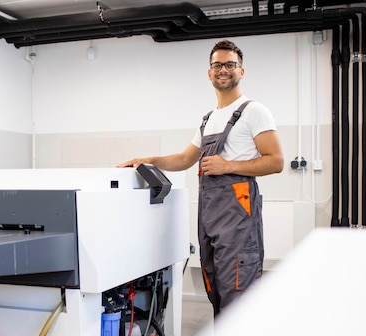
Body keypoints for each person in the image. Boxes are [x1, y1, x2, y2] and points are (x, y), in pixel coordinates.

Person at [117, 39, 284, 316]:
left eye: (231, 64)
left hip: (238, 219)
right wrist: (149, 160)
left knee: (239, 294)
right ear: (209, 73)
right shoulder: (208, 119)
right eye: (217, 65)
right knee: (216, 290)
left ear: (241, 71)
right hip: (210, 218)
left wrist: (227, 165)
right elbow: (184, 159)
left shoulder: (254, 111)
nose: (223, 69)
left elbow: (276, 161)